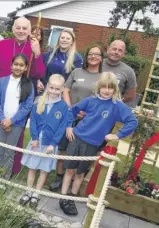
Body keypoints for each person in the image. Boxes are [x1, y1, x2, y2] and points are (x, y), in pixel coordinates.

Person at [59, 72, 138, 216]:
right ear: (99, 87)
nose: (107, 90)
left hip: (93, 144)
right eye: (104, 87)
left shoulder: (117, 106)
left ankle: (72, 197)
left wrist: (117, 135)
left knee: (80, 172)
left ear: (115, 89)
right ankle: (63, 196)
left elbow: (133, 121)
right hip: (77, 138)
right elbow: (71, 111)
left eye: (110, 88)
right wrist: (69, 126)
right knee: (70, 170)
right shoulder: (90, 100)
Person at [0, 16, 45, 174]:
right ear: (13, 29)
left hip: (19, 97)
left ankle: (8, 169)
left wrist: (37, 53)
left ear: (29, 31)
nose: (21, 31)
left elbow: (39, 73)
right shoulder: (2, 44)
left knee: (14, 132)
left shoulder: (33, 47)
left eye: (24, 28)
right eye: (18, 27)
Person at [50, 44, 104, 191]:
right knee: (63, 147)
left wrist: (88, 113)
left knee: (81, 151)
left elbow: (102, 99)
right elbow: (66, 90)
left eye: (97, 54)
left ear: (101, 58)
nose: (93, 57)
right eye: (90, 54)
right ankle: (59, 177)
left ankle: (74, 179)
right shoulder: (77, 72)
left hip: (88, 120)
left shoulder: (103, 77)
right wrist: (71, 109)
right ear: (86, 56)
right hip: (70, 115)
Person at [19, 74, 68, 208]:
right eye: (51, 88)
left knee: (44, 170)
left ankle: (36, 193)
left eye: (57, 89)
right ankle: (28, 191)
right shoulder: (38, 101)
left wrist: (53, 144)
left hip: (50, 145)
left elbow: (61, 127)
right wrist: (34, 138)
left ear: (62, 89)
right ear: (47, 86)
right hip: (37, 142)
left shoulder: (63, 107)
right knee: (32, 168)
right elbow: (33, 121)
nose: (53, 91)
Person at [0, 54, 34, 181]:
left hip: (16, 124)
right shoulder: (2, 81)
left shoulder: (28, 85)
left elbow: (27, 106)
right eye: (16, 64)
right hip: (0, 122)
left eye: (21, 65)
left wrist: (11, 121)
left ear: (26, 68)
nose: (18, 67)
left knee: (9, 153)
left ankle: (4, 179)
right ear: (11, 65)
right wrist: (2, 119)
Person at [38, 29, 83, 93]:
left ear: (72, 42)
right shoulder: (49, 54)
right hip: (44, 90)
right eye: (62, 38)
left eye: (68, 38)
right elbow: (39, 68)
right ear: (59, 39)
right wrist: (38, 81)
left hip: (61, 93)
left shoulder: (77, 58)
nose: (64, 40)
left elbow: (76, 80)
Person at [102, 40, 137, 104]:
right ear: (108, 49)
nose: (116, 52)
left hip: (112, 110)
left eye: (120, 50)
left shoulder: (129, 71)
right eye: (114, 49)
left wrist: (117, 104)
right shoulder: (96, 64)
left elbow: (131, 95)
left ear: (124, 54)